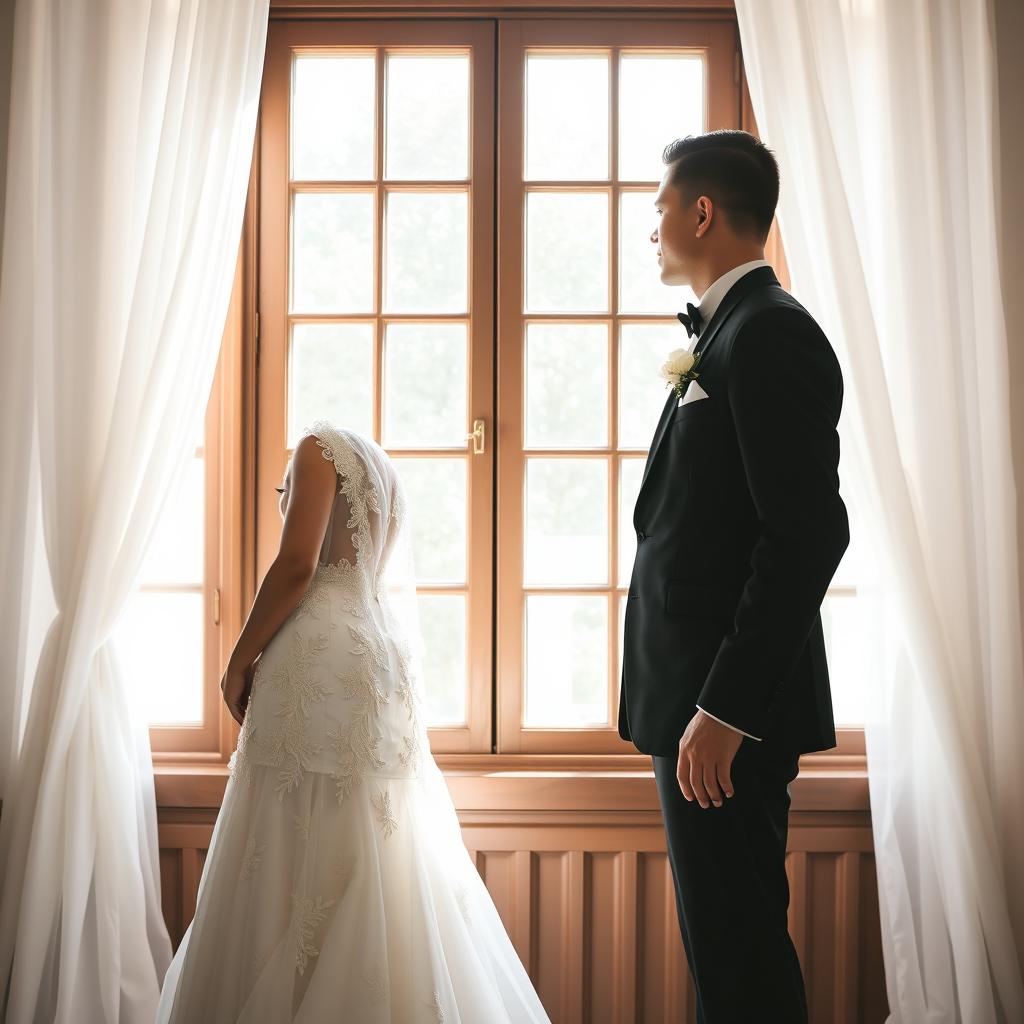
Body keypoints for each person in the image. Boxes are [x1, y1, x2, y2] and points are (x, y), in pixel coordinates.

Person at [156, 420, 551, 1023]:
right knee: (376, 835)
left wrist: (238, 660)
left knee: (293, 829)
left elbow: (297, 565)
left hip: (319, 660)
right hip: (375, 655)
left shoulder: (317, 446)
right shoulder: (382, 467)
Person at [617, 129, 850, 1023]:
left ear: (702, 211)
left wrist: (724, 711)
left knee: (740, 954)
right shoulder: (729, 333)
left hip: (725, 717)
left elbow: (806, 536)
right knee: (727, 949)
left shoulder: (769, 335)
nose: (655, 230)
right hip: (697, 708)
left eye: (661, 209)